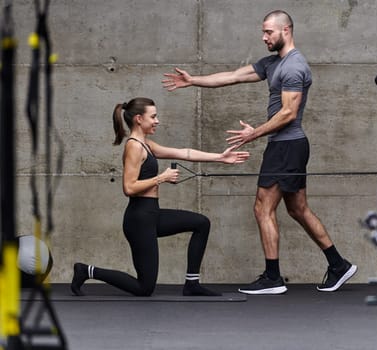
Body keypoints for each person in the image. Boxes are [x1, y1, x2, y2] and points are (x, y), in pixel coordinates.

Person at [162, 10, 357, 295]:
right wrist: (194, 80)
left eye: (269, 32)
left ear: (286, 30)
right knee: (298, 209)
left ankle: (273, 277)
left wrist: (253, 134)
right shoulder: (273, 63)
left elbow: (289, 113)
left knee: (262, 208)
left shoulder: (293, 66)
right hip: (288, 146)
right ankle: (338, 265)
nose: (264, 37)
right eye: (263, 32)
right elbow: (233, 76)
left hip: (286, 145)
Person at [70, 97, 250, 297]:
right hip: (139, 220)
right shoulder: (134, 146)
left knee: (201, 223)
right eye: (153, 116)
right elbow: (129, 187)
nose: (157, 120)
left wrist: (220, 157)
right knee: (144, 288)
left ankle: (192, 284)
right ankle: (86, 270)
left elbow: (184, 153)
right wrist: (161, 178)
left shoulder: (146, 144)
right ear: (139, 118)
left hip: (152, 215)